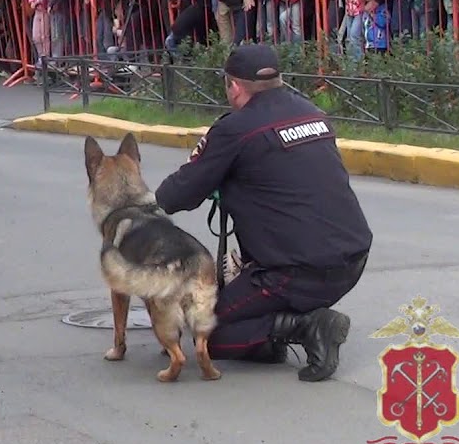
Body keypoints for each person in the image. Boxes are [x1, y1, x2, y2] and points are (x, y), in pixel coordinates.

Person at [153, 44, 372, 382]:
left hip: (294, 272)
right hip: (352, 261)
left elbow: (175, 195)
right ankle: (272, 335)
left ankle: (306, 326)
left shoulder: (236, 129)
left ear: (234, 86)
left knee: (205, 331)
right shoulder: (312, 113)